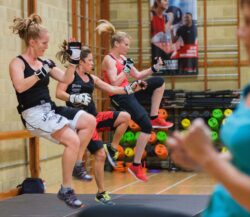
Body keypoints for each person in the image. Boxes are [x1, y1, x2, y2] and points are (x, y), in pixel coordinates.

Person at [167, 0, 250, 216]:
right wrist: (198, 156)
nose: (240, 33)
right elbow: (247, 158)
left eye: (248, 22)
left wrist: (209, 158)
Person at [9, 14, 96, 208]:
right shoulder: (18, 63)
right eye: (44, 43)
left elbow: (66, 80)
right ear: (32, 42)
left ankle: (77, 164)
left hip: (50, 108)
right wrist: (40, 72)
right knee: (72, 140)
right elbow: (20, 86)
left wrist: (73, 61)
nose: (46, 46)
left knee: (89, 121)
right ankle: (66, 189)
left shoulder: (45, 62)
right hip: (33, 114)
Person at [56, 44, 144, 205]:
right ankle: (101, 193)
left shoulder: (92, 78)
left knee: (125, 116)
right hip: (82, 124)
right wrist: (73, 98)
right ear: (81, 62)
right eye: (89, 61)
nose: (92, 63)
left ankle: (112, 148)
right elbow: (59, 93)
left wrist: (132, 88)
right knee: (100, 155)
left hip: (95, 118)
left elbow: (112, 88)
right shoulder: (69, 76)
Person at [96, 19, 174, 182]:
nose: (128, 47)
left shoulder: (123, 58)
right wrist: (125, 70)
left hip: (131, 90)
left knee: (159, 82)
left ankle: (154, 117)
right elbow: (114, 83)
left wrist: (154, 68)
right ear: (117, 43)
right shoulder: (108, 60)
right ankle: (136, 165)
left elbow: (138, 75)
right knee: (145, 126)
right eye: (126, 44)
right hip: (119, 96)